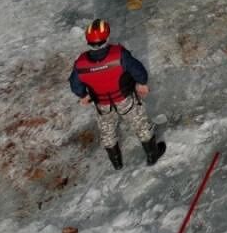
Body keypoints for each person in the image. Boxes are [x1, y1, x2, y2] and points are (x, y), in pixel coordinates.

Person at [69, 19, 165, 170]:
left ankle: (117, 163)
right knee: (140, 125)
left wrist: (83, 95)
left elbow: (75, 85)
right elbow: (138, 71)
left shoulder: (80, 63)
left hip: (102, 105)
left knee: (107, 131)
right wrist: (142, 83)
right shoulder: (119, 54)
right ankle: (152, 155)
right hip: (126, 100)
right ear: (107, 37)